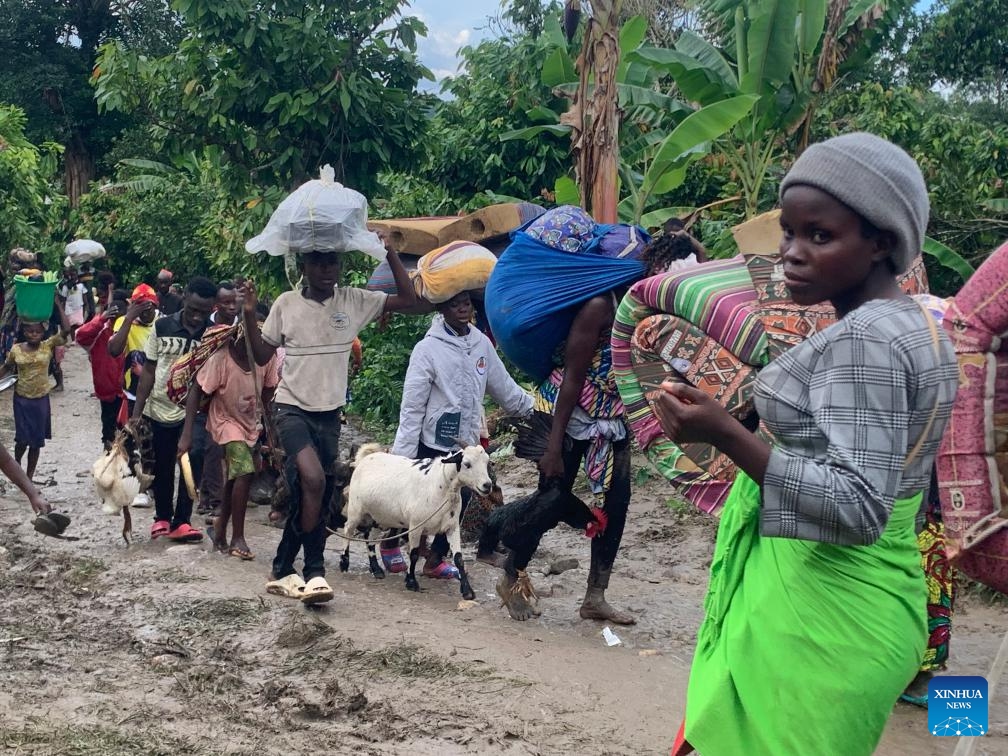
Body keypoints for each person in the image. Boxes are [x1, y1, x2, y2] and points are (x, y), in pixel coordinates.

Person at [651, 133, 959, 756]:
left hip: (824, 611)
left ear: (880, 243)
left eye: (819, 236)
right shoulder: (916, 321)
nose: (791, 254)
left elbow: (857, 506)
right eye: (788, 233)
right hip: (866, 601)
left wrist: (727, 434)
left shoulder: (864, 341)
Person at [241, 241, 417, 604]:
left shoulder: (353, 301)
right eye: (319, 263)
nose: (327, 270)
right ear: (304, 265)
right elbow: (260, 354)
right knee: (314, 480)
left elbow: (410, 300)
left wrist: (390, 254)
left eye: (333, 262)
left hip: (329, 416)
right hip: (290, 409)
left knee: (310, 494)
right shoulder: (286, 304)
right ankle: (315, 570)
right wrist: (246, 313)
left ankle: (282, 566)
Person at [387, 290, 532, 578]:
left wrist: (537, 408)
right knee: (413, 496)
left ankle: (435, 559)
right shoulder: (427, 350)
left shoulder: (481, 344)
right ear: (442, 309)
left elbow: (505, 389)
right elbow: (413, 406)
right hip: (431, 440)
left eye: (465, 302)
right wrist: (401, 458)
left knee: (460, 499)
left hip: (465, 443)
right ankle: (390, 544)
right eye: (454, 304)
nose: (462, 309)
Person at [179, 304, 279, 560]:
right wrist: (187, 434)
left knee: (236, 476)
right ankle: (238, 537)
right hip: (223, 420)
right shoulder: (222, 357)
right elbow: (197, 392)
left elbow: (268, 395)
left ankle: (221, 527)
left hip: (249, 423)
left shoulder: (267, 358)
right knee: (244, 470)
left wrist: (272, 434)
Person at [130, 276, 217, 542]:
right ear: (185, 299)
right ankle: (163, 518)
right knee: (164, 465)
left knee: (195, 458)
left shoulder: (212, 335)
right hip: (159, 408)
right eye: (192, 310)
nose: (196, 317)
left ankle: (183, 520)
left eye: (203, 313)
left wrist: (189, 430)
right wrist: (137, 411)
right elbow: (149, 370)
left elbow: (205, 381)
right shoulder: (162, 326)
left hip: (197, 410)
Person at [0, 292, 71, 480]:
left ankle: (29, 476)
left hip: (41, 400)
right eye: (30, 331)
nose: (33, 334)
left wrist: (57, 305)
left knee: (36, 442)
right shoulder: (16, 350)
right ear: (24, 332)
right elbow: (7, 368)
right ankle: (16, 470)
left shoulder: (48, 346)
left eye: (37, 332)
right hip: (22, 400)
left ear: (43, 333)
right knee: (22, 439)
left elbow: (66, 331)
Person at [76, 289, 129, 450]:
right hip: (106, 389)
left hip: (126, 389)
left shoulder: (130, 329)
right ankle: (108, 457)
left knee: (126, 427)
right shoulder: (101, 329)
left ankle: (126, 461)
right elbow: (80, 336)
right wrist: (101, 319)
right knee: (108, 426)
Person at [108, 284, 159, 420]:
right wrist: (129, 318)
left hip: (158, 395)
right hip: (132, 394)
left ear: (156, 305)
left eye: (148, 306)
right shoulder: (124, 321)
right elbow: (114, 350)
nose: (145, 311)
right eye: (140, 307)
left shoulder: (163, 323)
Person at [59, 267, 88, 340]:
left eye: (74, 275)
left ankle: (79, 339)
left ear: (77, 275)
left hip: (79, 308)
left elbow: (84, 298)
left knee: (79, 324)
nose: (73, 277)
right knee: (72, 326)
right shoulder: (65, 286)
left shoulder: (81, 285)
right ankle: (73, 340)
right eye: (71, 275)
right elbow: (63, 299)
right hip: (70, 309)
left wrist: (85, 307)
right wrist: (62, 310)